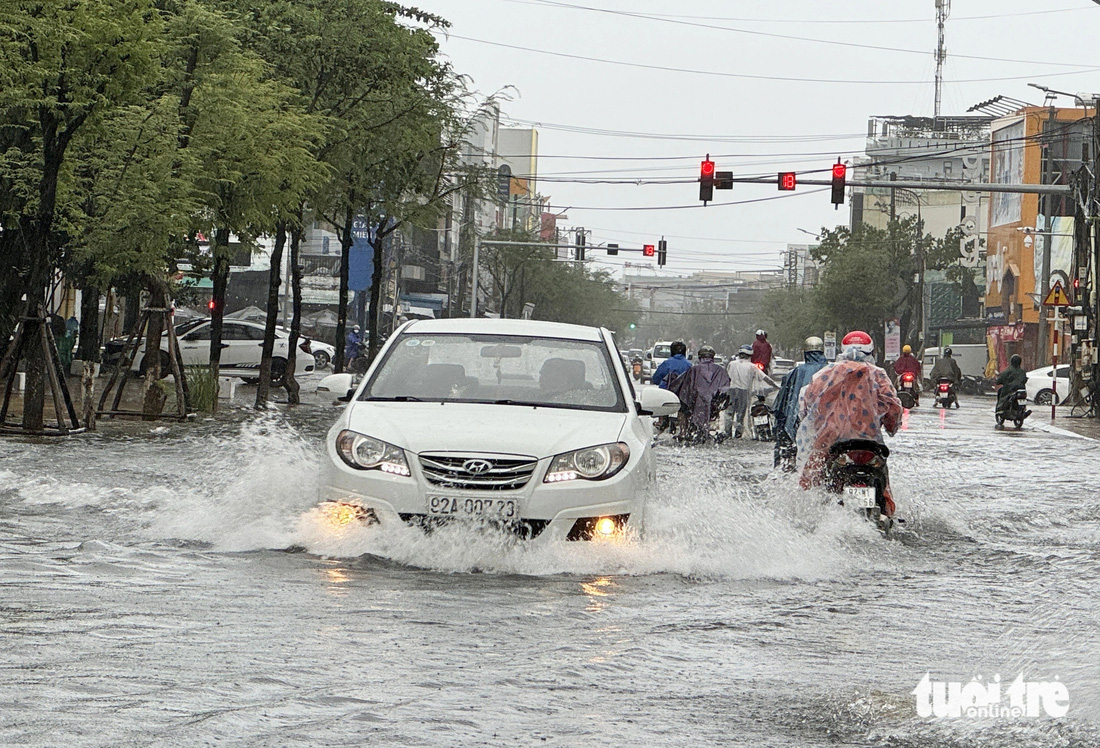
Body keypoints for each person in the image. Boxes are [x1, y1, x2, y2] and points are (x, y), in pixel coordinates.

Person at [796, 330, 903, 516]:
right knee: (883, 479)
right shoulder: (878, 375)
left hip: (831, 444)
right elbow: (893, 409)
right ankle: (886, 514)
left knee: (814, 485)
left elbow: (806, 406)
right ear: (871, 351)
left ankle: (817, 517)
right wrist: (891, 425)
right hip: (871, 446)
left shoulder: (825, 375)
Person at [772, 336, 828, 462]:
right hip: (828, 422)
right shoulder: (833, 371)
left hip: (799, 422)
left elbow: (783, 403)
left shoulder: (795, 372)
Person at [668, 345, 730, 442]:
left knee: (683, 410)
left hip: (696, 400)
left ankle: (683, 432)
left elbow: (683, 384)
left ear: (700, 357)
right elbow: (726, 386)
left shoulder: (694, 369)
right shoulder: (720, 370)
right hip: (713, 402)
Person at [726, 344, 778, 439]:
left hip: (731, 390)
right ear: (750, 355)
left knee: (729, 413)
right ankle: (738, 434)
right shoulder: (751, 366)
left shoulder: (731, 364)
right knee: (740, 414)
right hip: (744, 391)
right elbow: (765, 378)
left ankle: (727, 433)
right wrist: (777, 386)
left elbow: (727, 377)